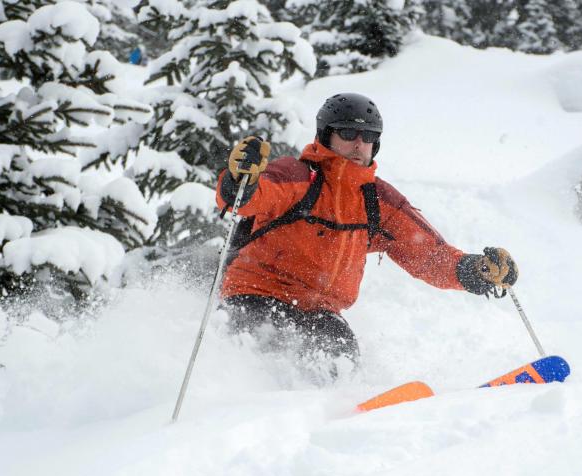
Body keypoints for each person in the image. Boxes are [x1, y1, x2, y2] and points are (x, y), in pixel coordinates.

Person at [215, 93, 518, 369]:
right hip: (257, 295)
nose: (359, 144)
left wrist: (476, 270)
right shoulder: (298, 177)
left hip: (320, 312)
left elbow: (427, 253)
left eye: (369, 136)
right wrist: (240, 181)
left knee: (340, 360)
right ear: (326, 135)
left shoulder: (376, 199)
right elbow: (249, 199)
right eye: (348, 134)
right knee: (275, 352)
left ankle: (339, 408)